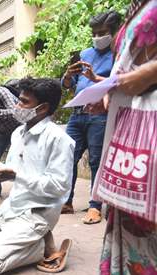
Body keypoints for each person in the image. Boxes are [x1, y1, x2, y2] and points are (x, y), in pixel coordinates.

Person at [0, 78, 75, 275]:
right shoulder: (18, 133)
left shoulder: (59, 140)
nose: (17, 106)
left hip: (36, 214)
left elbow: (60, 187)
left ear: (43, 108)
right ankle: (29, 241)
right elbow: (15, 171)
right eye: (18, 100)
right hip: (11, 208)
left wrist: (15, 175)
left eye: (24, 102)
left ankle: (40, 248)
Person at [92, 0, 157, 275]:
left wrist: (150, 71)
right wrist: (106, 92)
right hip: (132, 117)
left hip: (150, 119)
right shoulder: (137, 7)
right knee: (131, 213)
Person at [61, 11, 122, 224]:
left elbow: (119, 83)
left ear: (113, 33)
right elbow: (67, 86)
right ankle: (66, 201)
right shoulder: (85, 53)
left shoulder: (118, 54)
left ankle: (95, 206)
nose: (97, 36)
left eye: (102, 32)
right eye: (94, 33)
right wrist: (68, 75)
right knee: (68, 158)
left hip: (100, 115)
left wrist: (96, 78)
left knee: (97, 161)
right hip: (77, 114)